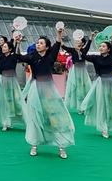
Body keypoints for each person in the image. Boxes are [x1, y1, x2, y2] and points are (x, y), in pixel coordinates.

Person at [17, 29, 75, 159]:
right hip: (35, 90)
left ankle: (61, 147)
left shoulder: (50, 56)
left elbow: (57, 44)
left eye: (41, 43)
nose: (38, 44)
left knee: (55, 117)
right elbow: (19, 57)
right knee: (35, 117)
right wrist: (17, 43)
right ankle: (34, 145)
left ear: (46, 46)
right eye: (37, 43)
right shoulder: (32, 57)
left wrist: (59, 34)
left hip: (49, 91)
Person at [62, 33, 94, 113]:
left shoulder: (84, 50)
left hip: (82, 71)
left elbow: (89, 44)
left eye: (79, 40)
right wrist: (60, 34)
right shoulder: (72, 50)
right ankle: (77, 107)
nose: (76, 41)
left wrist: (91, 37)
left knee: (83, 88)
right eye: (76, 41)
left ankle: (83, 107)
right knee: (74, 88)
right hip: (75, 70)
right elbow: (62, 46)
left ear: (82, 43)